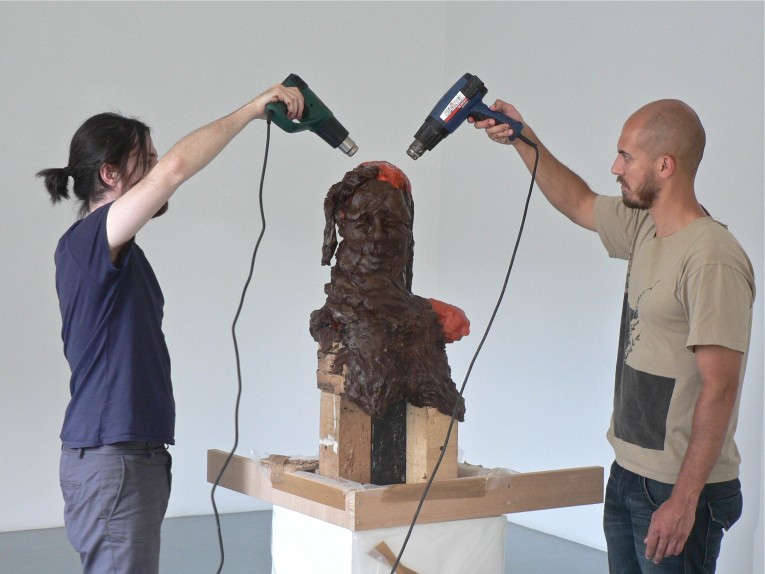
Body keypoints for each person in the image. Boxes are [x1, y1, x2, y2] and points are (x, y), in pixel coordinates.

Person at [472, 99, 754, 573]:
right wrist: (523, 137)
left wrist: (684, 501)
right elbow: (578, 202)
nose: (615, 168)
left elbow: (720, 386)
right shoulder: (646, 225)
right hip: (629, 473)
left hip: (680, 488)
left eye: (626, 157)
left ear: (665, 166)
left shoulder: (712, 258)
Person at [38, 83, 304, 574]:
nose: (158, 167)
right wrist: (251, 110)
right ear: (110, 173)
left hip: (128, 456)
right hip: (113, 457)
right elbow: (177, 168)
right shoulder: (89, 241)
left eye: (156, 159)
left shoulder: (118, 253)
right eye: (147, 161)